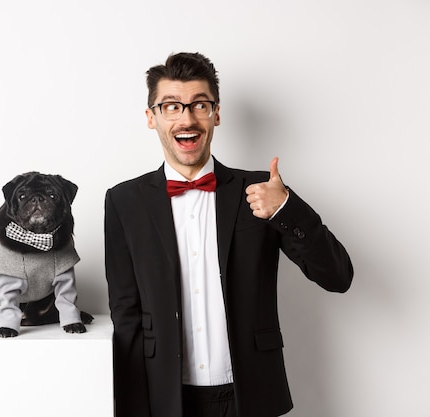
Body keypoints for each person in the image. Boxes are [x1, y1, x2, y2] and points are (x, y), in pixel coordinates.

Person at [103, 52, 353, 417]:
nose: (187, 118)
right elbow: (125, 314)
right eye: (171, 106)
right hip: (163, 399)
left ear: (216, 113)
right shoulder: (124, 201)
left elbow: (338, 277)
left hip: (250, 396)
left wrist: (287, 209)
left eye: (199, 105)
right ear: (151, 117)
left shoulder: (262, 191)